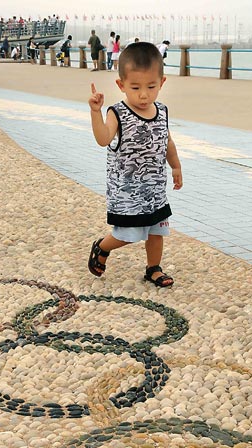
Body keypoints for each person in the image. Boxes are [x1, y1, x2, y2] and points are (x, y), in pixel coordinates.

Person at [87, 41, 183, 288]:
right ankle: (102, 246)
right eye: (135, 87)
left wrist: (175, 166)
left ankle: (153, 268)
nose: (143, 94)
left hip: (155, 189)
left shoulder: (162, 111)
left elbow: (167, 141)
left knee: (157, 229)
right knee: (127, 234)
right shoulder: (117, 112)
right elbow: (103, 139)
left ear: (161, 83)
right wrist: (96, 112)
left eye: (151, 87)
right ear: (121, 85)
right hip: (128, 191)